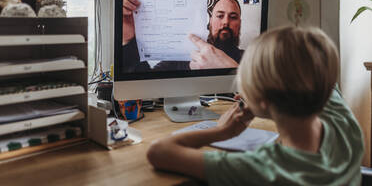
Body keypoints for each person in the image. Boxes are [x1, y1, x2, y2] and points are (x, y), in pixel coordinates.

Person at [146, 26, 365, 185]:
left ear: (262, 99)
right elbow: (317, 74)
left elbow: (158, 151)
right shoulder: (345, 126)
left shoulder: (262, 168)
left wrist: (220, 132)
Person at [122, 0, 243, 72]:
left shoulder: (251, 61)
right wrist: (129, 40)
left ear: (240, 23)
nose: (226, 22)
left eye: (233, 17)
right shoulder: (183, 55)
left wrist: (231, 70)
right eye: (220, 16)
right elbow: (146, 84)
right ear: (210, 21)